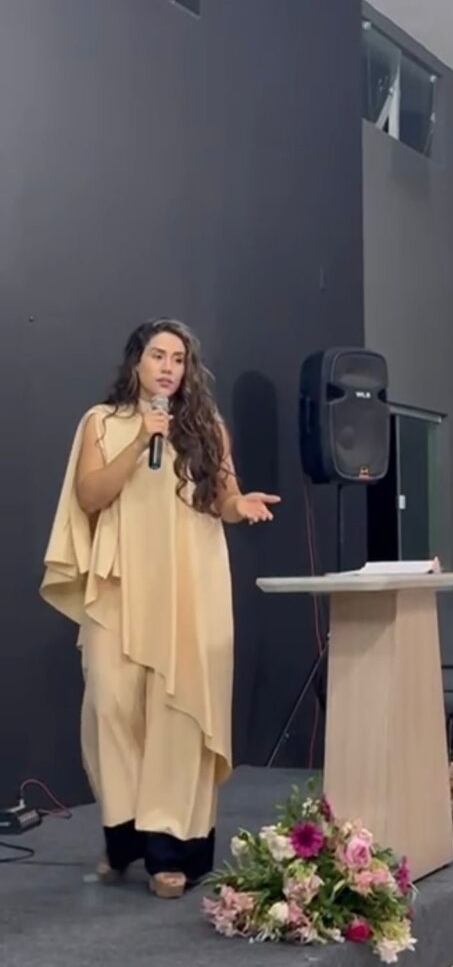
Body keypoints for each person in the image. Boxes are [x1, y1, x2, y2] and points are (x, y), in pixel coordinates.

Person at [40, 319, 280, 898]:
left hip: (188, 582)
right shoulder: (102, 422)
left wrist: (240, 505)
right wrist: (139, 439)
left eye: (178, 358)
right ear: (136, 363)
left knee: (179, 714)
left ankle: (171, 849)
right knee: (110, 705)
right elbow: (90, 496)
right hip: (120, 584)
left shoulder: (206, 427)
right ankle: (123, 838)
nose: (169, 367)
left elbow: (222, 498)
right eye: (158, 355)